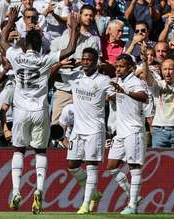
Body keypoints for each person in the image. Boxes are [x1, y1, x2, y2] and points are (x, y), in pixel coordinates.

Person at [0, 7, 80, 214]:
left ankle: (16, 191)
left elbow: (2, 42)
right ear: (40, 45)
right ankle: (39, 189)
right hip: (40, 111)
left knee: (19, 150)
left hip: (21, 111)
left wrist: (9, 22)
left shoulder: (16, 56)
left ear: (25, 45)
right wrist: (74, 29)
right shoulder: (45, 59)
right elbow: (69, 50)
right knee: (40, 151)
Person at [52, 48, 113, 214]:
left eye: (89, 60)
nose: (85, 62)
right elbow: (52, 75)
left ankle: (85, 204)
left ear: (95, 62)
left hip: (94, 130)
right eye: (83, 59)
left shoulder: (103, 80)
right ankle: (93, 192)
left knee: (91, 166)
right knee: (72, 166)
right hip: (77, 130)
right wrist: (59, 64)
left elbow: (116, 92)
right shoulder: (75, 76)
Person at [107, 53, 148, 214]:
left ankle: (132, 205)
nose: (118, 69)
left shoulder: (136, 82)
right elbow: (111, 98)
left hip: (134, 130)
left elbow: (143, 97)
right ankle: (133, 195)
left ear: (130, 67)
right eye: (116, 66)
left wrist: (124, 91)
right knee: (111, 167)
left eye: (121, 66)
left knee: (134, 167)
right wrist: (110, 96)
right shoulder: (117, 82)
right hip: (120, 131)